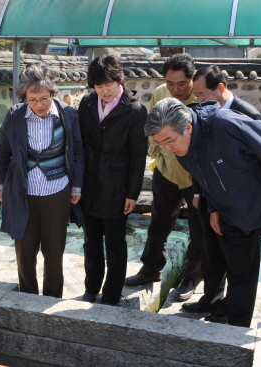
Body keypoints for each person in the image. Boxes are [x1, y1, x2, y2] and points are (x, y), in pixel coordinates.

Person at [144, 98, 261, 339]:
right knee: (239, 276)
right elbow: (205, 179)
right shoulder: (181, 146)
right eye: (160, 143)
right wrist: (214, 209)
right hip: (231, 214)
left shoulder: (227, 123)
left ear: (188, 127)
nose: (167, 148)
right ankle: (237, 331)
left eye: (169, 140)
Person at [181, 65, 261, 323]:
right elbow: (197, 154)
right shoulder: (202, 116)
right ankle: (211, 299)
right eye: (196, 97)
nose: (199, 101)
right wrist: (197, 192)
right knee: (211, 252)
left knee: (238, 260)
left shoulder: (246, 115)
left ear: (220, 88)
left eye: (203, 95)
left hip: (239, 203)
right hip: (209, 195)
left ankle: (229, 307)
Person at [0, 63, 84, 299]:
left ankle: (52, 299)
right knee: (25, 250)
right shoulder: (15, 116)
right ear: (25, 96)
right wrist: (0, 186)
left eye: (44, 98)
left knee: (54, 252)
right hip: (23, 191)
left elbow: (77, 153)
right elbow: (3, 152)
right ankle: (27, 297)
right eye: (32, 99)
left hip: (58, 191)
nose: (39, 105)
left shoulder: (68, 115)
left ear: (52, 93)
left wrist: (76, 186)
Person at [125, 53, 203, 303]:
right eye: (171, 83)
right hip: (166, 170)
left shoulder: (201, 96)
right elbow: (152, 127)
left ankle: (192, 277)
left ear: (192, 79)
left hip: (196, 176)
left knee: (198, 227)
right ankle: (150, 269)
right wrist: (158, 154)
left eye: (181, 83)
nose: (175, 89)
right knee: (159, 222)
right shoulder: (161, 93)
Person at [78, 55, 147, 305]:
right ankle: (91, 286)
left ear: (120, 80)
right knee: (91, 241)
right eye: (98, 86)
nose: (104, 91)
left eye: (108, 84)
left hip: (117, 187)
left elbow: (139, 155)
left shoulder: (134, 109)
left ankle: (112, 294)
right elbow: (80, 145)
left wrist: (132, 193)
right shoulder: (86, 103)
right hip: (90, 185)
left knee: (115, 244)